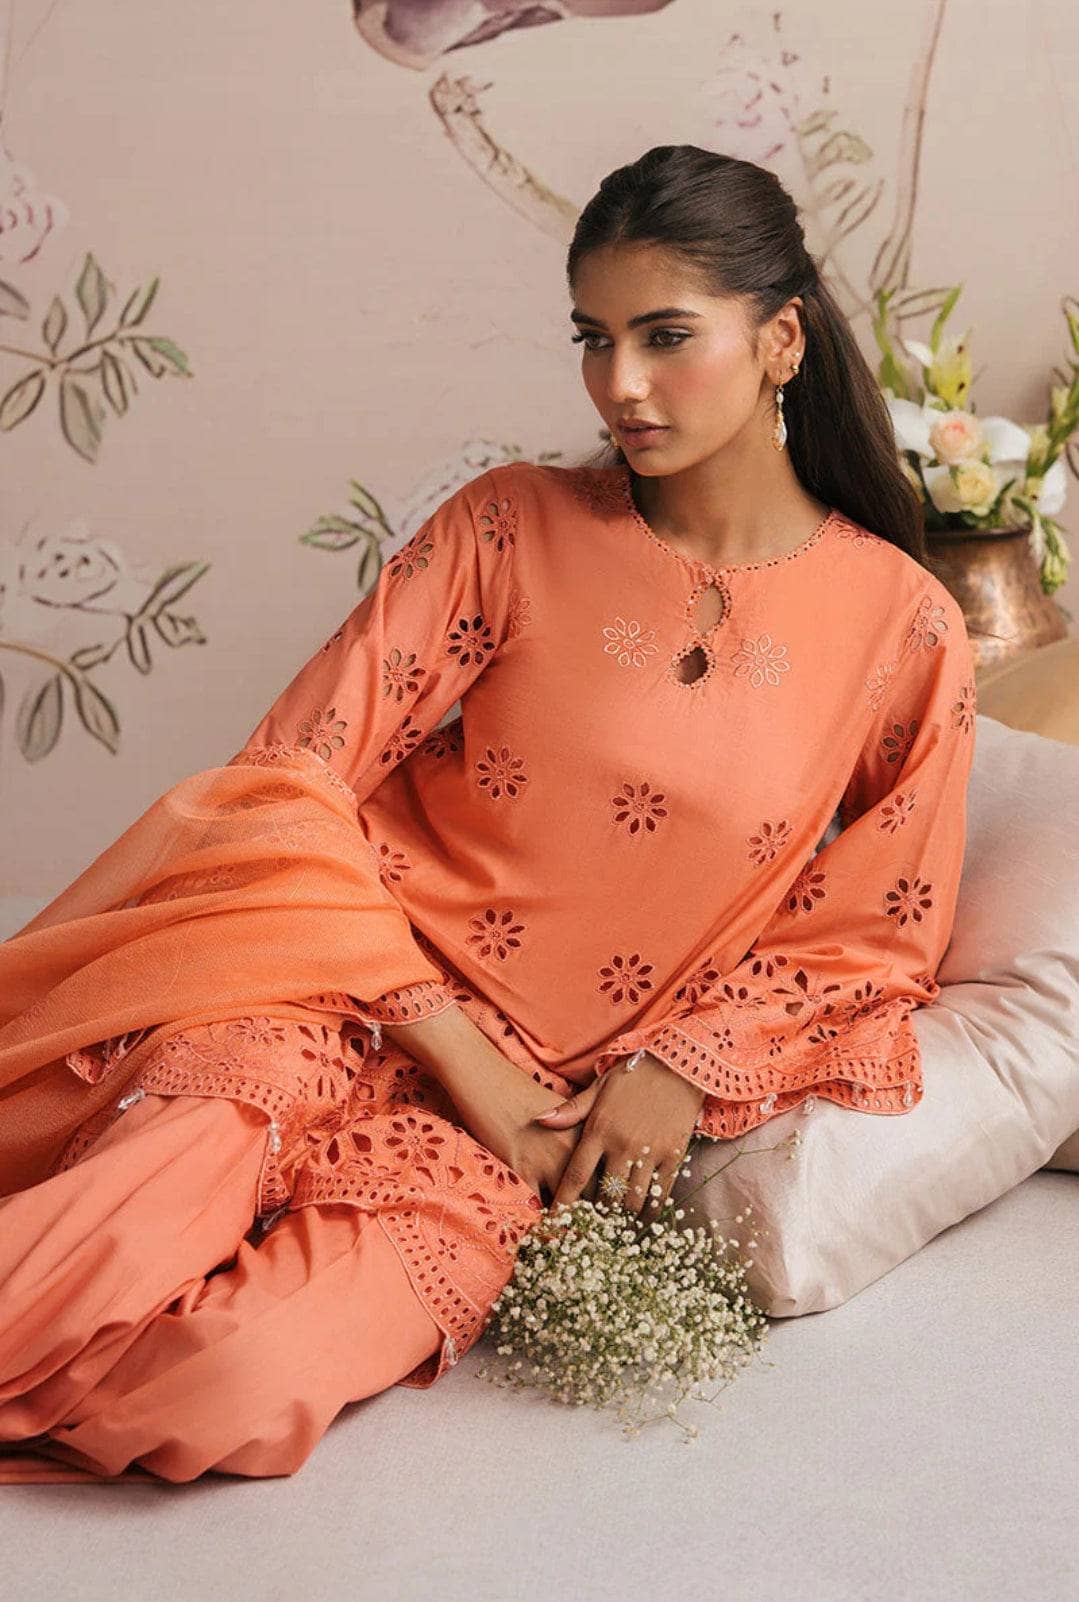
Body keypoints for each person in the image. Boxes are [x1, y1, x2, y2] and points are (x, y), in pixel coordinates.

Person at [0, 143, 976, 1483]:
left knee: (228, 1384)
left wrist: (677, 1066)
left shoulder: (904, 627)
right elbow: (289, 778)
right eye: (593, 338)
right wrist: (464, 1056)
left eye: (665, 336)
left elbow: (875, 932)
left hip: (520, 1139)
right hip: (327, 988)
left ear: (782, 340)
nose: (618, 384)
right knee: (77, 1264)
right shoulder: (507, 526)